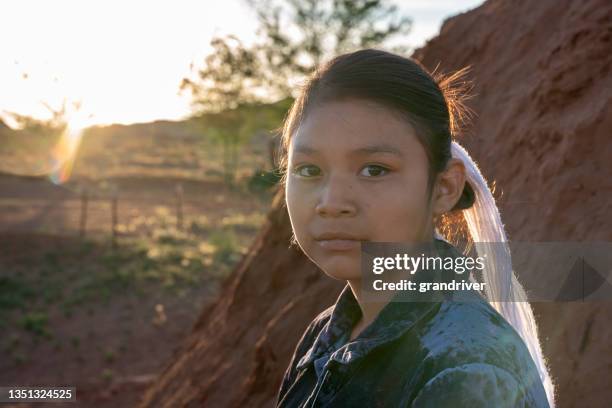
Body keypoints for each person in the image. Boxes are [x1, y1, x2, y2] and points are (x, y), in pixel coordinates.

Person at [274, 49, 556, 407]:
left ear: (443, 188)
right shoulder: (327, 332)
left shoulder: (466, 371)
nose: (331, 202)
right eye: (309, 170)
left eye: (374, 170)